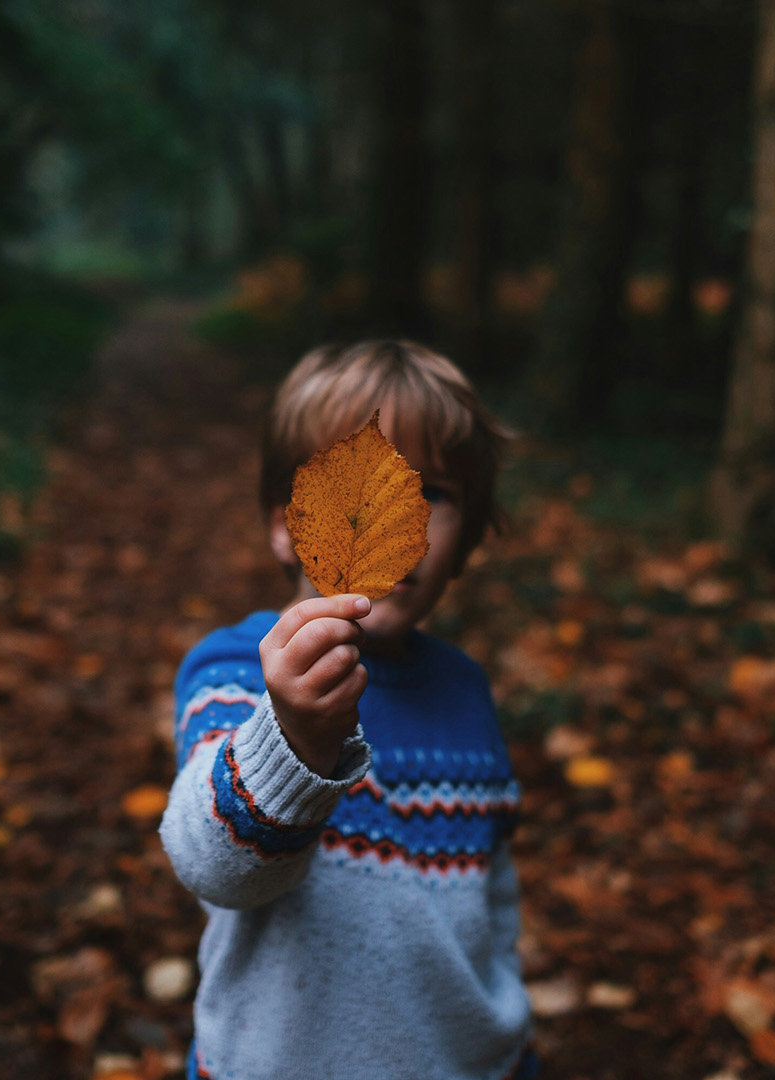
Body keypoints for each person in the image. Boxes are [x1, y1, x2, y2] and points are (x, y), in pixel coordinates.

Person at [160, 340, 536, 1080]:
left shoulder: (465, 692)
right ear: (285, 523)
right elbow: (217, 867)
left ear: (467, 540)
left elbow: (493, 907)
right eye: (352, 488)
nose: (400, 518)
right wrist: (294, 737)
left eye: (433, 493)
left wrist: (507, 1040)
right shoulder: (239, 672)